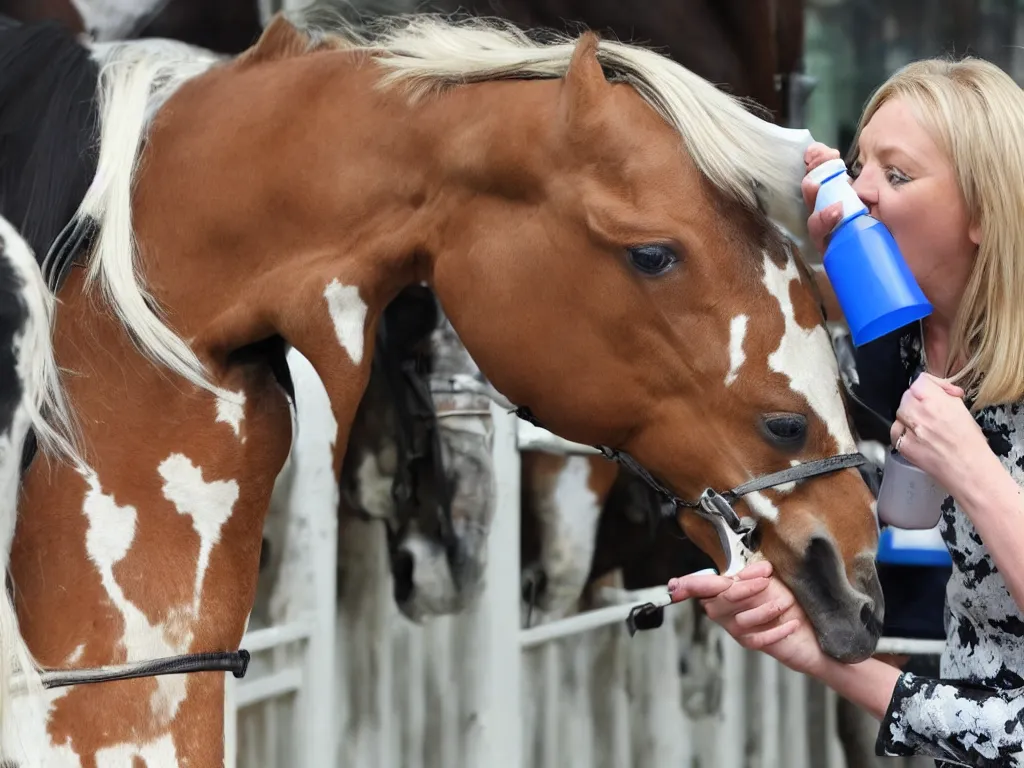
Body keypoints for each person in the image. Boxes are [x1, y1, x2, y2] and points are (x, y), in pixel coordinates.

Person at [669, 56, 1024, 767]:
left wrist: (974, 471)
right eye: (858, 167)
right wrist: (796, 636)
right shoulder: (924, 345)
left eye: (897, 174)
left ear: (987, 209)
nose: (861, 192)